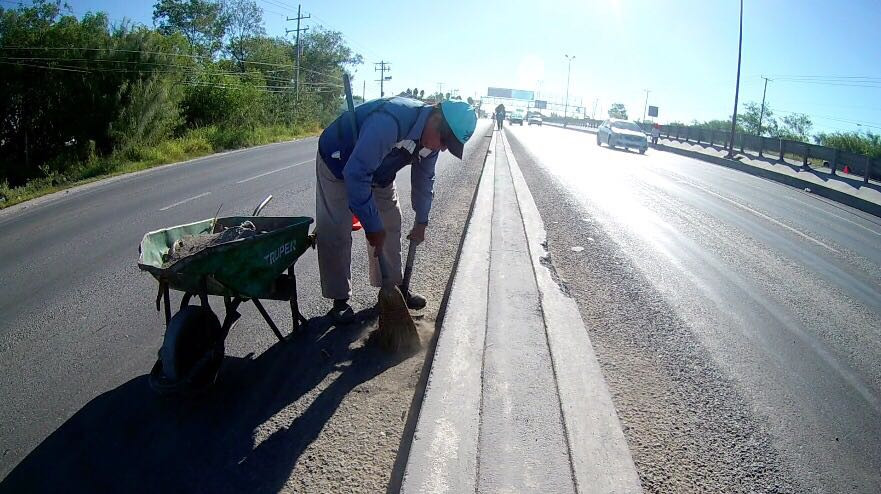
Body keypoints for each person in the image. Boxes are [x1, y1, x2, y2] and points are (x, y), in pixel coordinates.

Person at [315, 96, 478, 323]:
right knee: (336, 229)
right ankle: (339, 300)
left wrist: (422, 221)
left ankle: (393, 291)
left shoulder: (429, 143)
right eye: (444, 140)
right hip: (339, 162)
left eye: (447, 146)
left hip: (380, 170)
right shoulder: (390, 121)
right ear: (436, 117)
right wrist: (371, 226)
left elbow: (424, 180)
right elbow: (356, 174)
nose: (441, 148)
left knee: (391, 222)